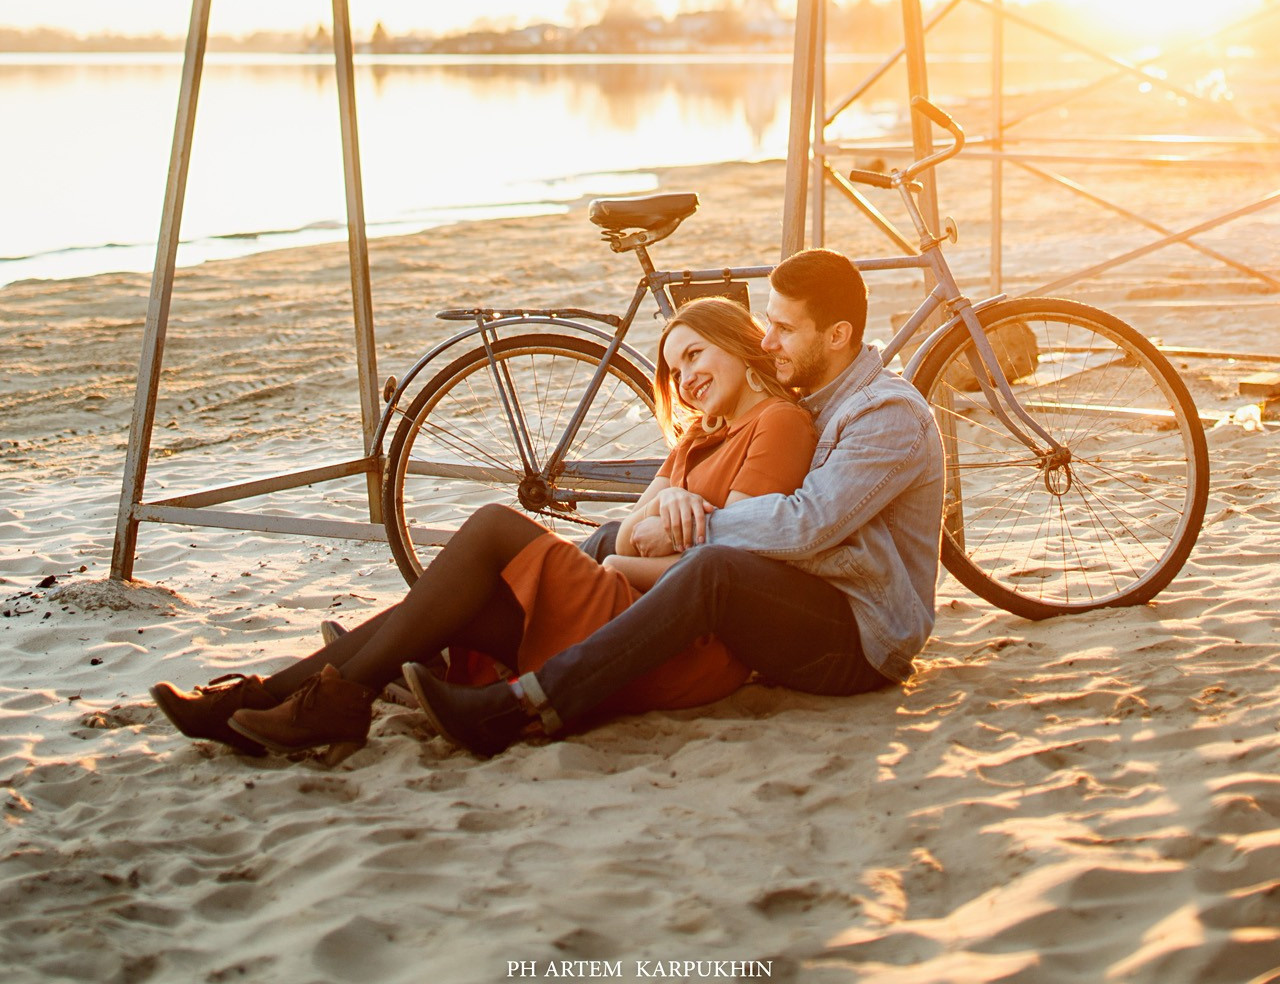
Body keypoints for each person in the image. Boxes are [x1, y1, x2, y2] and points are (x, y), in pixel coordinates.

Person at [149, 296, 815, 760]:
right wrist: (647, 523)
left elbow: (724, 567)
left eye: (696, 355)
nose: (687, 379)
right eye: (674, 369)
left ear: (735, 342)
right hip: (632, 615)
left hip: (684, 644)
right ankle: (266, 700)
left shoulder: (778, 423)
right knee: (458, 603)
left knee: (497, 527)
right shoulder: (701, 434)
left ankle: (329, 701)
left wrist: (623, 559)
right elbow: (634, 523)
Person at [408, 247, 945, 758]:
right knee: (604, 538)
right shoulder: (813, 400)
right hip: (799, 603)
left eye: (783, 329)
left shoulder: (886, 414)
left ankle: (525, 705)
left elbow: (808, 525)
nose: (768, 341)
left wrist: (691, 527)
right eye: (768, 323)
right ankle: (431, 648)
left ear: (837, 335)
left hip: (863, 638)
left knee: (714, 568)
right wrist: (668, 506)